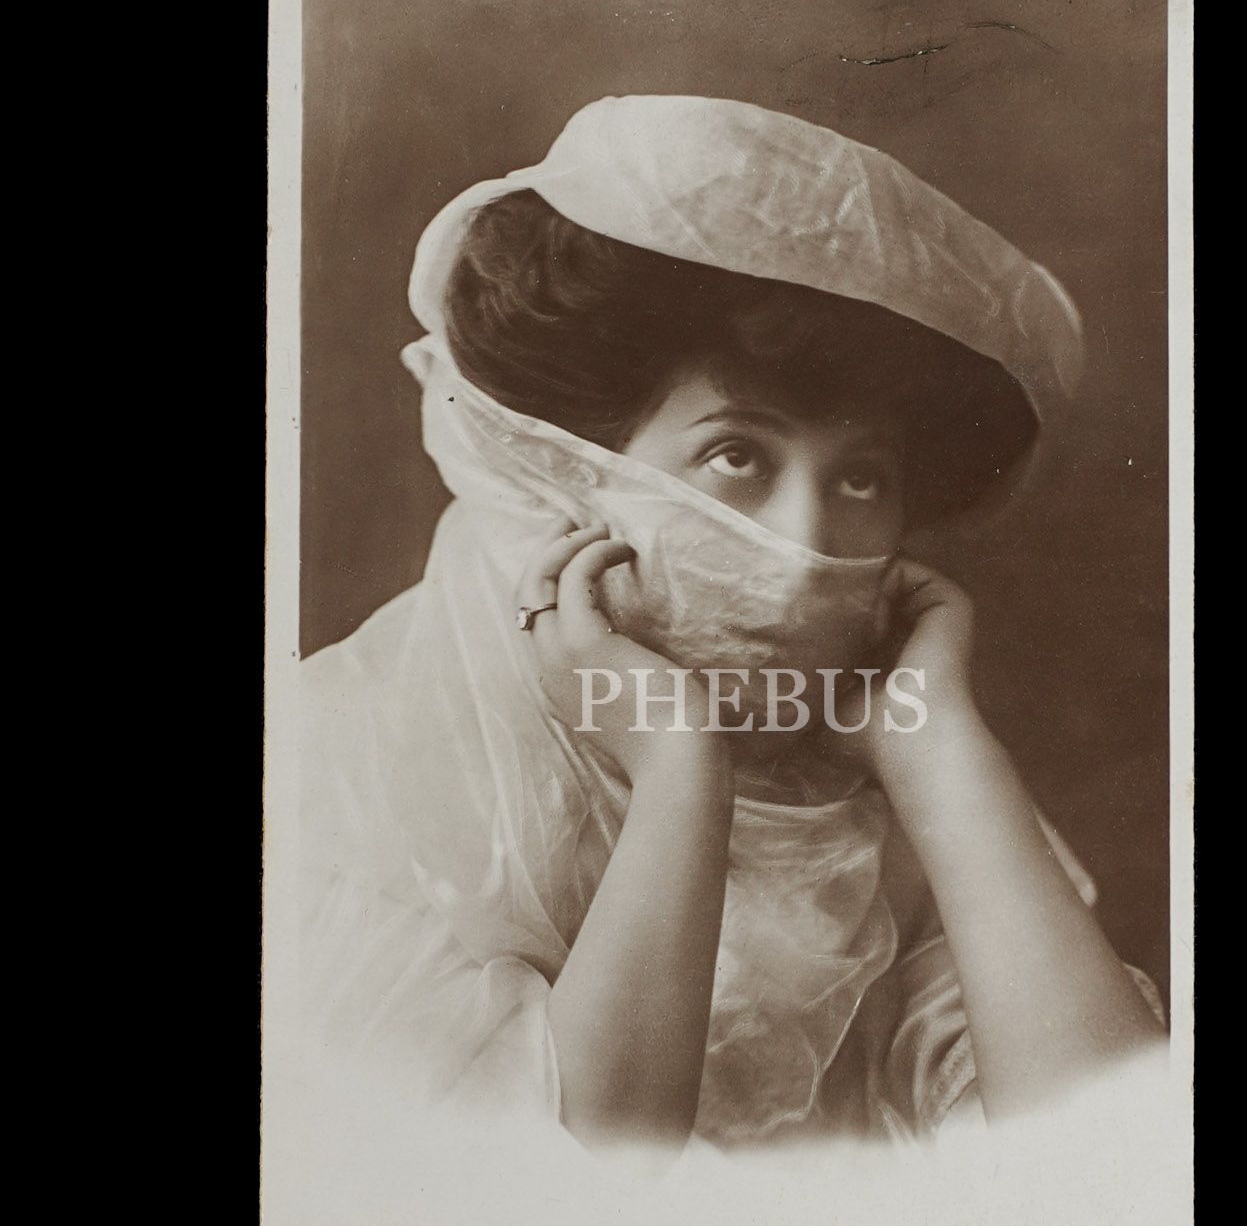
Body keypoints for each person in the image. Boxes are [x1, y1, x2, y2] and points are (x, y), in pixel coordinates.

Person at [298, 95, 1167, 1155]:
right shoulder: (326, 766)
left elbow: (1106, 1160)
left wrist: (938, 750)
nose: (805, 542)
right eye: (737, 455)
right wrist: (678, 760)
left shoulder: (868, 787)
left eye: (862, 477)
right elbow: (556, 1196)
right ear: (569, 474)